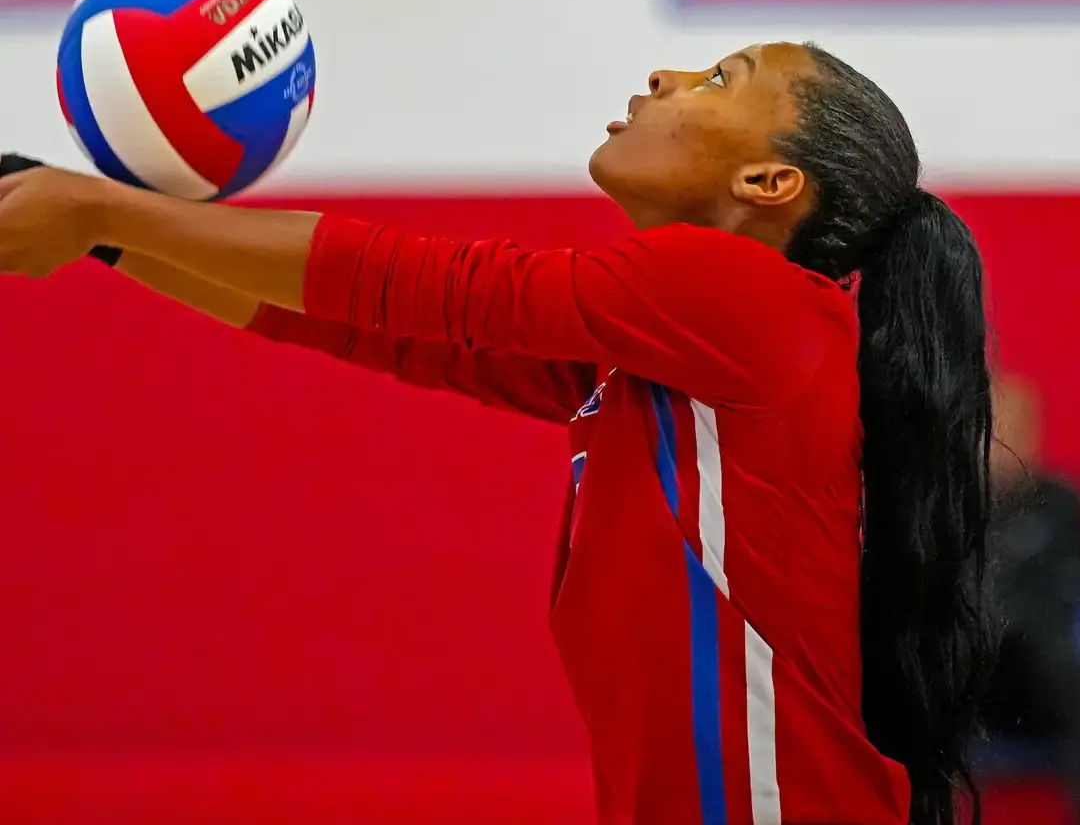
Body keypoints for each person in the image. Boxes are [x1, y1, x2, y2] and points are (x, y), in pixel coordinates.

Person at [0, 41, 994, 825]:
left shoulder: (752, 295)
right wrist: (104, 233)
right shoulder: (678, 355)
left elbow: (415, 282)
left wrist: (98, 205)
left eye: (719, 78)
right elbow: (372, 327)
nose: (666, 75)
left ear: (769, 184)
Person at [980, 376, 1080, 810]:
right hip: (978, 665)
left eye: (1018, 427)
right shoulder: (952, 509)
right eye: (997, 430)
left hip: (1046, 672)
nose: (1008, 444)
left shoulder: (1059, 503)